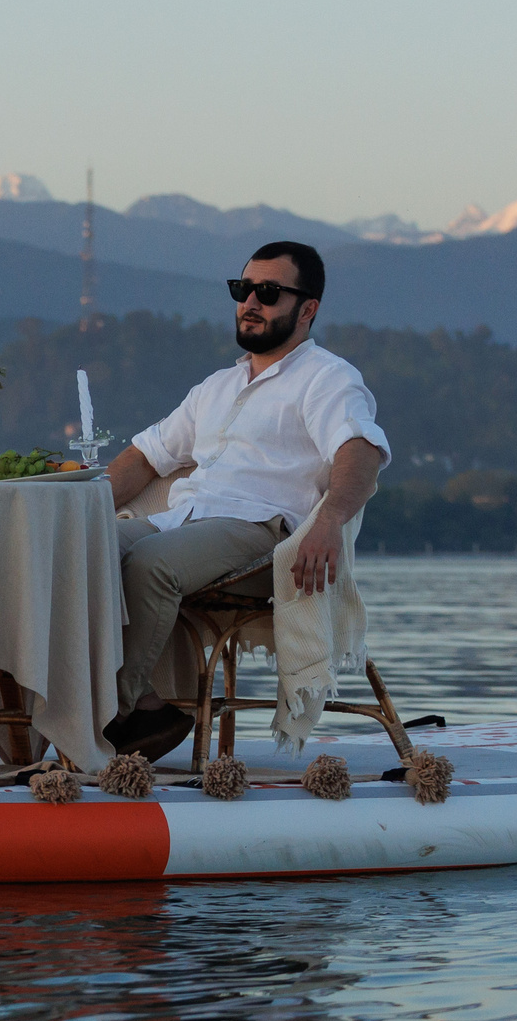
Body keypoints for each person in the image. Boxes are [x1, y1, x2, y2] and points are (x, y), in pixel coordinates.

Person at [99, 241, 390, 760]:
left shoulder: (326, 378)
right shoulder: (217, 386)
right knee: (80, 546)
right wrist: (82, 508)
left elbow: (360, 451)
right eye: (243, 289)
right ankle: (141, 706)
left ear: (308, 309)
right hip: (183, 521)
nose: (250, 303)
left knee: (149, 563)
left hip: (262, 534)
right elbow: (144, 457)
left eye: (269, 292)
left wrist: (329, 521)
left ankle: (106, 720)